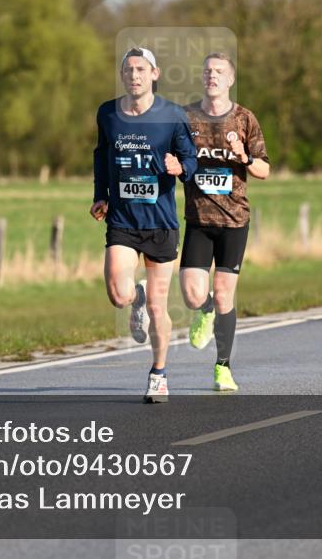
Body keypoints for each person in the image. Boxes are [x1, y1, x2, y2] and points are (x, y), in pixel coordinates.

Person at [91, 47, 197, 403]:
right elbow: (102, 154)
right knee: (118, 295)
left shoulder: (172, 115)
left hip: (160, 223)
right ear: (122, 76)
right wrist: (100, 194)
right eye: (128, 69)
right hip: (122, 219)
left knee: (158, 306)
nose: (134, 75)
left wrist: (180, 168)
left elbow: (191, 158)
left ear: (155, 74)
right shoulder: (108, 113)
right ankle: (133, 296)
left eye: (141, 69)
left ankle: (159, 374)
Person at [179, 53, 270, 390]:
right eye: (206, 71)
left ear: (231, 79)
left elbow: (264, 169)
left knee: (224, 293)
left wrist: (243, 156)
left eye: (219, 71)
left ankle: (223, 367)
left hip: (234, 220)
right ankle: (202, 311)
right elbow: (171, 156)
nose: (212, 76)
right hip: (198, 219)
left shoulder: (245, 119)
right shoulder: (186, 117)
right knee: (191, 293)